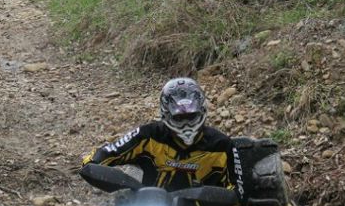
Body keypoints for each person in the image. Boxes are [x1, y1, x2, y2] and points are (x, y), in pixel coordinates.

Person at [82, 77, 235, 192]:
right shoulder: (147, 136)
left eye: (191, 116)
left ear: (201, 111)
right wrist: (93, 163)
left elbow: (238, 190)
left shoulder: (222, 145)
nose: (186, 124)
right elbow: (109, 152)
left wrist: (221, 198)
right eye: (179, 118)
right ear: (166, 114)